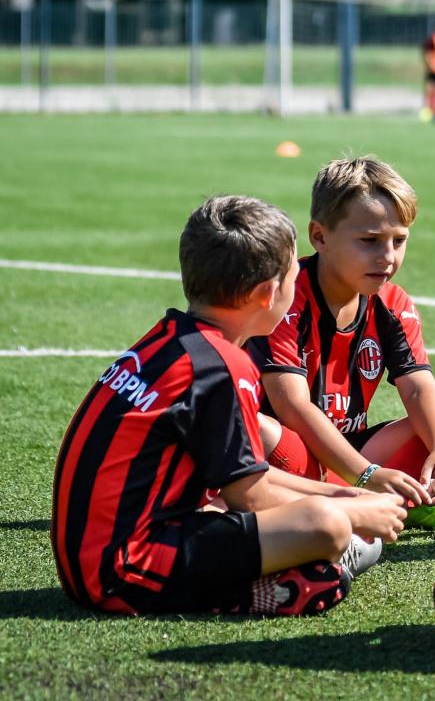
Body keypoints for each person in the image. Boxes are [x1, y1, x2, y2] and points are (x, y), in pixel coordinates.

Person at [52, 195, 406, 617]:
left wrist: (345, 493)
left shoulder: (171, 337)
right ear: (268, 293)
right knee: (326, 527)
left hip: (89, 563)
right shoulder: (223, 366)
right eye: (295, 275)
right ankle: (252, 589)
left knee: (327, 514)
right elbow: (250, 498)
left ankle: (294, 566)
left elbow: (247, 477)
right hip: (127, 573)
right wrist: (349, 511)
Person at [247, 157, 435, 521]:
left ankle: (414, 490)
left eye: (399, 240)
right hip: (292, 455)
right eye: (370, 241)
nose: (388, 257)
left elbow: (418, 388)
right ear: (320, 236)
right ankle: (351, 497)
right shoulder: (286, 297)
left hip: (352, 451)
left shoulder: (393, 303)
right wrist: (366, 474)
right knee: (261, 431)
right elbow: (292, 407)